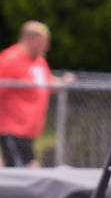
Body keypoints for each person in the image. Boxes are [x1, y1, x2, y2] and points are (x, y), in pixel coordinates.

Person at [0, 21, 75, 168]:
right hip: (12, 129)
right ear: (30, 39)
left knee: (30, 168)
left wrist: (63, 82)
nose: (46, 47)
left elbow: (47, 83)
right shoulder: (10, 60)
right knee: (25, 172)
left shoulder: (39, 61)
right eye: (43, 42)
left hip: (30, 130)